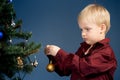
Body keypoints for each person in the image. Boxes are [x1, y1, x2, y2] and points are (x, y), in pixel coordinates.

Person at [44, 4, 117, 80]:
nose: (83, 34)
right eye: (81, 29)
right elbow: (66, 69)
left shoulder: (106, 53)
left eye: (87, 29)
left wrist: (59, 53)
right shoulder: (84, 48)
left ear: (102, 28)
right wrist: (53, 56)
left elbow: (83, 67)